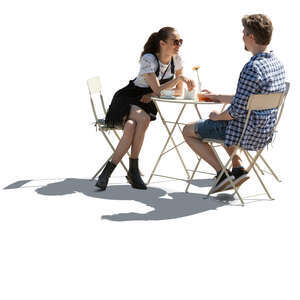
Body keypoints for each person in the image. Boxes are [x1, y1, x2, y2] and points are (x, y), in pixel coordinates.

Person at [183, 14, 286, 193]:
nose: (242, 36)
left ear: (251, 37)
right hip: (263, 131)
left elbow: (235, 112)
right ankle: (238, 169)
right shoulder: (277, 64)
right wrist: (218, 96)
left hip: (244, 133)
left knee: (188, 130)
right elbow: (250, 100)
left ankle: (222, 173)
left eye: (244, 33)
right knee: (228, 122)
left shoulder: (252, 68)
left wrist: (217, 116)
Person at [96, 26, 195, 191]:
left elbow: (178, 91)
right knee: (143, 119)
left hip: (145, 100)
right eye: (175, 42)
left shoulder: (176, 60)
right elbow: (158, 89)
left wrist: (156, 92)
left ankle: (109, 172)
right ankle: (132, 171)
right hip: (128, 98)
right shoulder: (149, 59)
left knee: (131, 126)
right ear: (162, 43)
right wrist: (178, 79)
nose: (179, 45)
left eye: (181, 41)